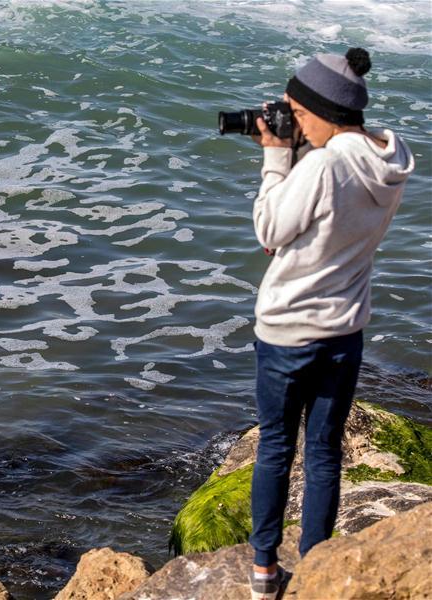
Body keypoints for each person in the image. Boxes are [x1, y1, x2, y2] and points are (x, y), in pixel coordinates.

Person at [246, 47, 414, 600]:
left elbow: (270, 228)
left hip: (289, 333)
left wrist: (275, 158)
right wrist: (296, 151)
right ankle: (317, 565)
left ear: (321, 110)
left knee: (275, 446)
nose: (288, 120)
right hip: (344, 332)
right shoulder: (388, 161)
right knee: (323, 451)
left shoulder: (322, 165)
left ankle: (265, 571)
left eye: (294, 110)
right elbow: (325, 222)